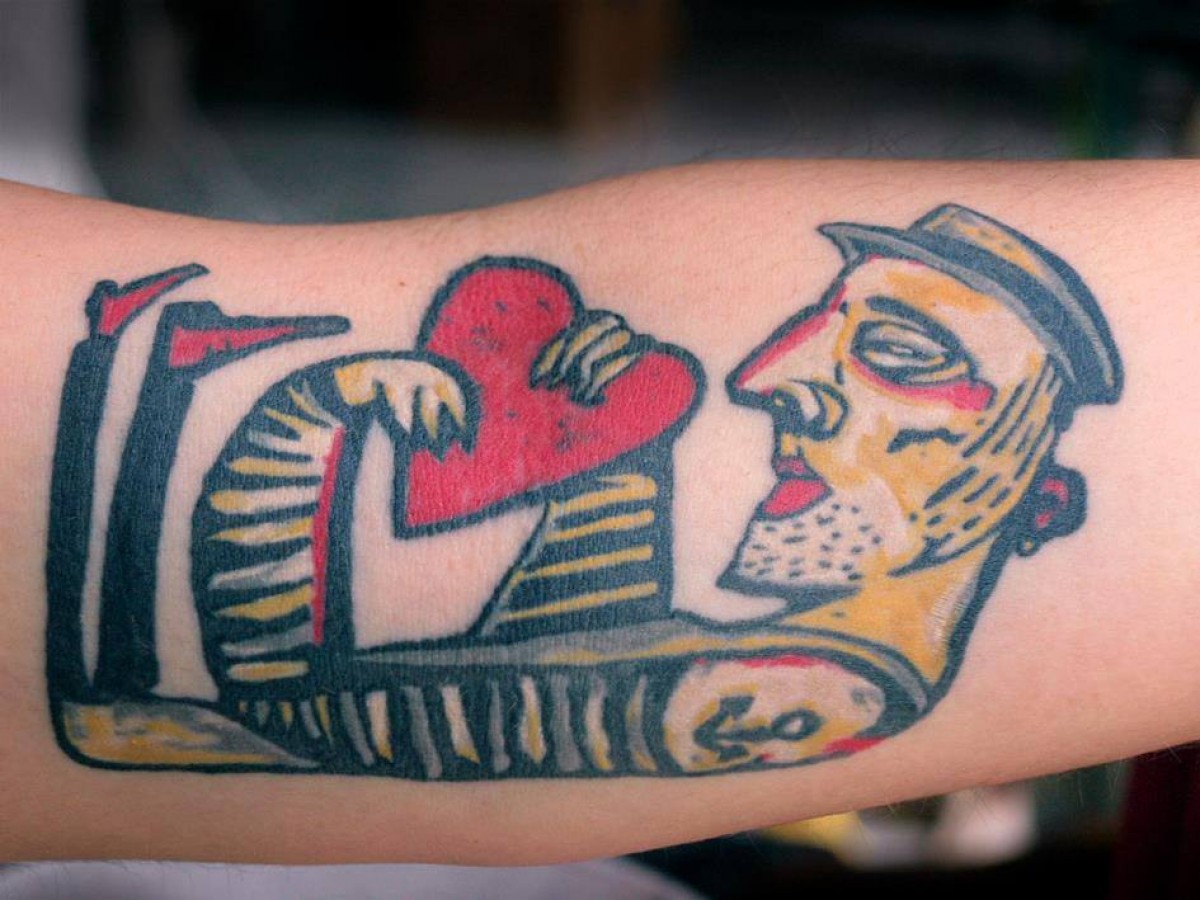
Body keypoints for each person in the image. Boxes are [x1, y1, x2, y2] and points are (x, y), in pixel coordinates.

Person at [3, 162, 1199, 864]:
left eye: (901, 352)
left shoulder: (791, 698)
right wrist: (622, 451)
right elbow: (559, 642)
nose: (764, 374)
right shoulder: (755, 661)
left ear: (1037, 483)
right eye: (812, 326)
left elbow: (298, 706)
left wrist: (312, 411)